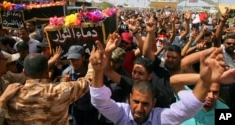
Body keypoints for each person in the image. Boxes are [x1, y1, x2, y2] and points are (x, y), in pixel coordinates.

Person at [89, 40, 235, 125]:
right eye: (136, 101)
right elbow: (99, 101)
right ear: (129, 99)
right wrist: (97, 71)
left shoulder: (161, 118)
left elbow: (190, 107)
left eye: (145, 104)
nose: (139, 108)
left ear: (154, 103)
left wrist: (207, 81)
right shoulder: (122, 113)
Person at [6, 53, 94, 125]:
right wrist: (92, 63)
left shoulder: (9, 95)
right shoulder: (61, 90)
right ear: (47, 71)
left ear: (24, 72)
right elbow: (87, 81)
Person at [62, 45, 99, 125]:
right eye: (72, 60)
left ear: (83, 57)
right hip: (77, 110)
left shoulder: (91, 69)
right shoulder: (66, 73)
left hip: (93, 108)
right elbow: (64, 97)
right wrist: (66, 85)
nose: (74, 62)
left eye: (77, 59)